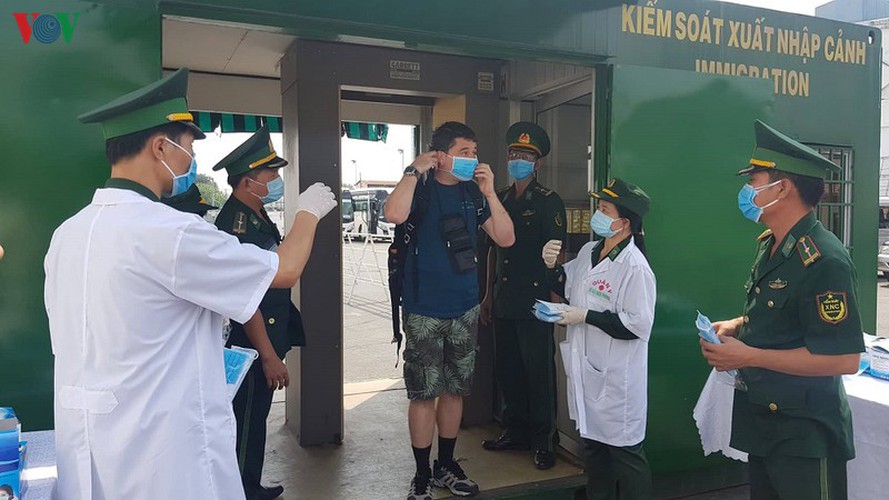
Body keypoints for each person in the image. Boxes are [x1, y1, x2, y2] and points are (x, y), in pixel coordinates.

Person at [44, 68, 337, 500]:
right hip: (161, 457)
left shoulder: (68, 232)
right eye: (187, 147)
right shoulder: (170, 232)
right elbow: (285, 269)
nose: (189, 161)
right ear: (160, 146)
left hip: (91, 450)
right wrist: (308, 211)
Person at [700, 120, 864, 500]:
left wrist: (749, 355)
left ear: (783, 188)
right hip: (766, 423)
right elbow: (780, 315)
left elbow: (843, 359)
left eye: (754, 182)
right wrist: (738, 326)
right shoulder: (772, 244)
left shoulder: (825, 259)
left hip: (805, 434)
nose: (747, 192)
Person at [384, 121, 515, 499]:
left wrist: (490, 192)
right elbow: (394, 214)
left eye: (474, 153)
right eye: (463, 153)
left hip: (464, 308)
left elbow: (505, 237)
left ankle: (446, 464)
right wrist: (413, 171)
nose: (471, 160)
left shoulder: (474, 196)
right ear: (440, 155)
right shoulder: (420, 190)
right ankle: (422, 474)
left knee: (455, 391)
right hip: (424, 308)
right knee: (424, 393)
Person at [541, 179, 655, 500]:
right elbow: (568, 286)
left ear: (625, 222)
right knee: (594, 450)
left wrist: (586, 316)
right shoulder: (590, 250)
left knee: (626, 456)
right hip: (589, 374)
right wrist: (550, 268)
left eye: (605, 209)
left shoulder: (635, 268)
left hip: (617, 382)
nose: (598, 214)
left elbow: (637, 325)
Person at [212, 125, 303, 500]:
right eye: (271, 175)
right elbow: (245, 297)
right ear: (249, 181)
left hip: (265, 334)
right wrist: (267, 356)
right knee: (246, 419)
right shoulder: (238, 224)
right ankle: (243, 490)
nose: (277, 180)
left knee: (253, 418)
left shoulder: (256, 213)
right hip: (252, 342)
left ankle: (247, 483)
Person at [480, 122, 566, 470]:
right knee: (509, 369)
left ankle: (545, 440)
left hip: (536, 300)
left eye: (526, 156)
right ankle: (514, 431)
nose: (518, 160)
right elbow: (491, 251)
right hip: (504, 298)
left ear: (538, 163)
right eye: (514, 154)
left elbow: (557, 253)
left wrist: (556, 295)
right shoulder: (497, 197)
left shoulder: (548, 201)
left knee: (538, 372)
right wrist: (488, 295)